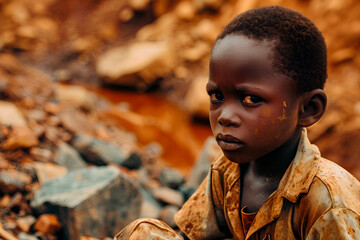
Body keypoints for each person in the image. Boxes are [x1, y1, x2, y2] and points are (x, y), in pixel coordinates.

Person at [114, 6, 360, 240]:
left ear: (308, 109)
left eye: (251, 99)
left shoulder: (329, 201)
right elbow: (189, 234)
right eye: (216, 96)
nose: (225, 116)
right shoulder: (226, 172)